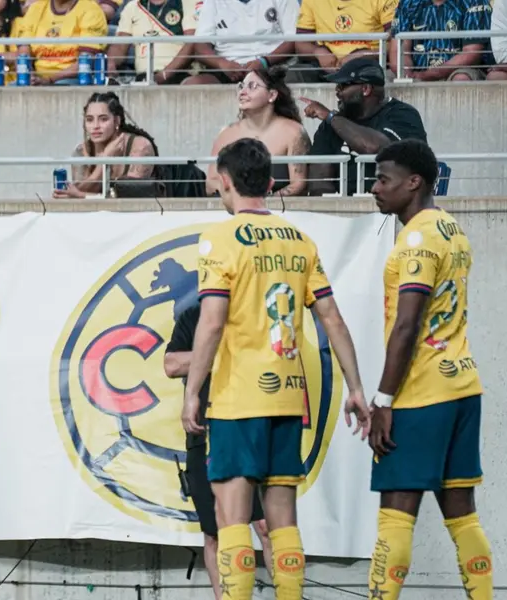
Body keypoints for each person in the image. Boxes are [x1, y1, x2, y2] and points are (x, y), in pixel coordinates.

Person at [183, 138, 370, 600]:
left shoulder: (219, 238)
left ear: (224, 181)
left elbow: (211, 322)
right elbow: (333, 319)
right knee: (283, 521)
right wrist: (356, 387)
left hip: (237, 398)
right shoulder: (299, 240)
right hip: (289, 397)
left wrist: (192, 391)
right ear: (269, 182)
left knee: (232, 519)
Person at [365, 138, 494, 600]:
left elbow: (407, 324)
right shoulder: (452, 229)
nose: (374, 188)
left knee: (396, 513)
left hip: (423, 393)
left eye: (383, 179)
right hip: (463, 385)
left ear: (413, 182)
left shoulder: (417, 237)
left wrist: (383, 400)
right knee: (462, 514)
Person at [164, 301, 275, 600]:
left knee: (267, 527)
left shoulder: (253, 313)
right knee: (213, 534)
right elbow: (171, 365)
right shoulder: (193, 316)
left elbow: (269, 359)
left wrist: (205, 358)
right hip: (204, 435)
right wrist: (223, 354)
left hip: (249, 430)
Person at [300, 57, 427, 196]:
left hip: (393, 206)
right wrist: (335, 210)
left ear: (365, 89)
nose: (337, 91)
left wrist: (330, 117)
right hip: (343, 209)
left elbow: (375, 148)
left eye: (342, 85)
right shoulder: (331, 125)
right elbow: (319, 181)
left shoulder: (402, 115)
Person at [207, 66, 311, 197]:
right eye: (241, 86)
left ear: (272, 95)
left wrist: (265, 203)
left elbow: (299, 184)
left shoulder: (294, 132)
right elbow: (211, 182)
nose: (242, 92)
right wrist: (240, 201)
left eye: (252, 86)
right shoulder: (226, 134)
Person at [54, 91, 160, 199]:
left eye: (103, 119)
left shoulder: (140, 147)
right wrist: (104, 162)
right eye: (89, 120)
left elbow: (128, 198)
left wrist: (81, 195)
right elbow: (78, 191)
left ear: (117, 121)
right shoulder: (81, 151)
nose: (95, 126)